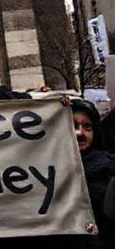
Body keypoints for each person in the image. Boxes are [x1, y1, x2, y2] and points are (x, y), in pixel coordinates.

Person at [72, 99, 115, 248]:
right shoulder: (45, 172)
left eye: (87, 127)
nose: (80, 133)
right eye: (73, 126)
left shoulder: (110, 168)